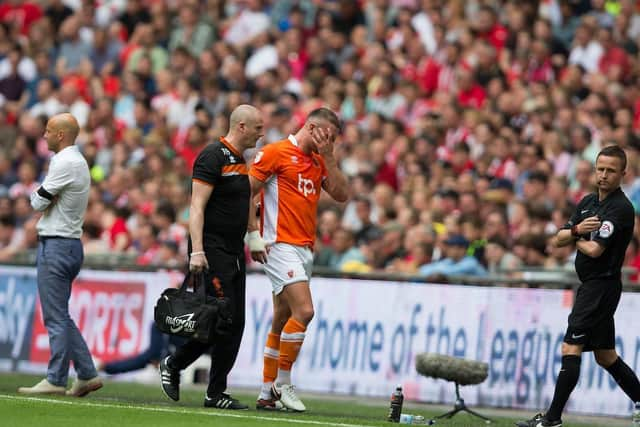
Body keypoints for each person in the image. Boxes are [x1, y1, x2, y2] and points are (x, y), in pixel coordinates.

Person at [517, 145, 640, 427]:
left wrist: (574, 236)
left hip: (601, 286)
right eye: (601, 169)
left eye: (611, 170)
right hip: (592, 285)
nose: (604, 175)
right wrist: (574, 231)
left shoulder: (620, 208)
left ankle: (552, 419)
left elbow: (595, 250)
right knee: (606, 357)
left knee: (570, 347)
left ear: (623, 173)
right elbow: (557, 239)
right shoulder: (587, 201)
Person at [158, 104, 264, 410]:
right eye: (257, 127)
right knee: (222, 319)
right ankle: (190, 373)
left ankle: (208, 386)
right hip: (213, 250)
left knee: (235, 322)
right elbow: (197, 207)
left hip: (233, 251)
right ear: (241, 126)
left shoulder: (241, 161)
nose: (261, 133)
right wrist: (198, 250)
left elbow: (245, 203)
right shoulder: (212, 156)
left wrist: (253, 235)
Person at [248, 108, 349, 412]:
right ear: (310, 126)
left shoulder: (320, 162)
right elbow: (245, 191)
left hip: (305, 248)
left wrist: (329, 156)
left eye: (333, 139)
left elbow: (342, 194)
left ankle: (266, 393)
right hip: (278, 244)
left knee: (281, 317)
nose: (328, 142)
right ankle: (283, 381)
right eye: (325, 136)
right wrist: (252, 233)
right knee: (305, 311)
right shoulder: (275, 152)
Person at [19, 113, 102, 397]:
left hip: (57, 244)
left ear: (61, 136)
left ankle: (56, 378)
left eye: (48, 131)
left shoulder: (65, 162)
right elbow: (43, 199)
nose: (43, 136)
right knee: (61, 315)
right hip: (67, 244)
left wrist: (42, 197)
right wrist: (45, 197)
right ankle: (87, 374)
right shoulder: (75, 161)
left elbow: (36, 201)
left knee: (55, 317)